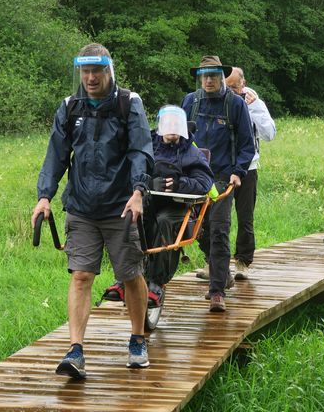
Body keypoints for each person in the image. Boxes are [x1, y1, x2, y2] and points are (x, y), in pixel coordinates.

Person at [31, 43, 154, 379]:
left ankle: (138, 338)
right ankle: (75, 350)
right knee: (81, 275)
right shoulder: (70, 107)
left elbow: (141, 151)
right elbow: (55, 154)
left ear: (107, 71)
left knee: (130, 275)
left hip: (120, 207)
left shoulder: (129, 104)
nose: (89, 78)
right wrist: (44, 196)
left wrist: (139, 192)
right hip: (82, 207)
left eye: (95, 71)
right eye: (84, 72)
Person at [104, 105, 214, 308]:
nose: (172, 127)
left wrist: (180, 184)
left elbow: (205, 182)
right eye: (168, 123)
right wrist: (147, 182)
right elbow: (129, 171)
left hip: (177, 206)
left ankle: (156, 283)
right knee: (133, 220)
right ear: (160, 126)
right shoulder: (147, 149)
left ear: (182, 127)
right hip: (149, 201)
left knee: (164, 222)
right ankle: (124, 279)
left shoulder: (192, 152)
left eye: (176, 123)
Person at [182, 56, 255, 312]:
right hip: (193, 178)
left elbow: (248, 144)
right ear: (200, 78)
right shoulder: (190, 102)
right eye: (205, 76)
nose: (209, 80)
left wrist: (239, 172)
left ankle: (216, 292)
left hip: (223, 177)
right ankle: (221, 274)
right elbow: (180, 139)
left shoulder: (235, 105)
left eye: (214, 75)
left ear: (222, 77)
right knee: (196, 230)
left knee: (219, 230)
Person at [224, 67, 276, 280]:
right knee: (217, 218)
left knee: (245, 218)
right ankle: (215, 262)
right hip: (222, 168)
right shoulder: (218, 100)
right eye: (228, 87)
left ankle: (243, 262)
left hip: (248, 169)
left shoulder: (254, 102)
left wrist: (253, 109)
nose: (232, 91)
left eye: (235, 87)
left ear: (243, 84)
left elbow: (269, 134)